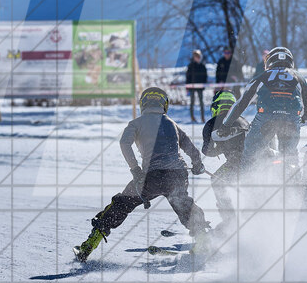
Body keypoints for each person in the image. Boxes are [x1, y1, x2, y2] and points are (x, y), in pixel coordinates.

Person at [75, 87, 210, 263]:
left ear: (143, 104)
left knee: (121, 205)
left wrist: (135, 169)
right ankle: (203, 242)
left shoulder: (136, 123)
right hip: (177, 176)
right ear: (164, 104)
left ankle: (89, 245)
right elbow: (190, 147)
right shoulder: (171, 123)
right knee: (185, 206)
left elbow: (124, 143)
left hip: (150, 178)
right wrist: (197, 164)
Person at [220, 46, 307, 164]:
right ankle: (292, 178)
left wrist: (226, 124)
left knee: (251, 152)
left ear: (270, 61)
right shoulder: (299, 78)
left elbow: (241, 103)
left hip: (266, 118)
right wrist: (302, 119)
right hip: (291, 119)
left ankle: (246, 179)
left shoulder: (262, 77)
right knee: (289, 155)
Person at [202, 90, 249, 229]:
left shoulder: (211, 124)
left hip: (235, 163)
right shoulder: (243, 120)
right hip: (254, 160)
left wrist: (221, 148)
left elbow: (207, 150)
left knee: (216, 181)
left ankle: (230, 221)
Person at [185, 49, 208, 122]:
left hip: (200, 87)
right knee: (192, 102)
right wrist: (187, 86)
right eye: (195, 56)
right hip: (192, 87)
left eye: (198, 56)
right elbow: (188, 77)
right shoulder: (191, 66)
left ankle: (202, 117)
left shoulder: (202, 66)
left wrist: (203, 85)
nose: (197, 57)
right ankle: (192, 117)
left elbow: (205, 77)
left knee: (201, 102)